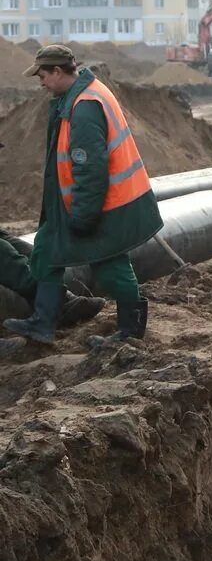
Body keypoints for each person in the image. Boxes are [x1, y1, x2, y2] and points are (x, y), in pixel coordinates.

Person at [3, 45, 163, 347]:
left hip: (105, 203)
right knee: (47, 250)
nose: (40, 82)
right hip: (74, 203)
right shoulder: (76, 96)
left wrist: (84, 214)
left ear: (58, 72)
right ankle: (43, 323)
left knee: (109, 265)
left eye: (42, 75)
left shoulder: (86, 106)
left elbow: (90, 167)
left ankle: (131, 331)